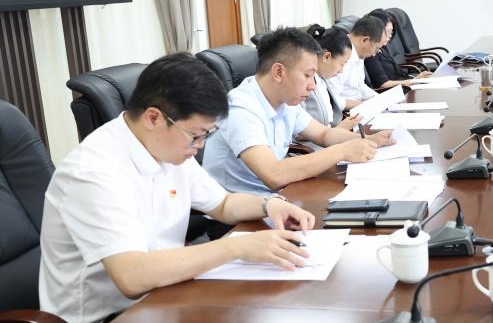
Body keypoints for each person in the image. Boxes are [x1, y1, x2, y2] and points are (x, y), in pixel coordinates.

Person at [38, 53, 317, 323]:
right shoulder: (92, 172)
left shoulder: (167, 147)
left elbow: (222, 204)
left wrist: (270, 204)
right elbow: (132, 277)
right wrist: (236, 247)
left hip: (166, 292)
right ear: (153, 118)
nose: (200, 146)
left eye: (206, 135)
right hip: (112, 315)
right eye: (195, 135)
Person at [202, 27, 394, 195]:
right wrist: (341, 151)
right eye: (307, 75)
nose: (313, 86)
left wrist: (370, 141)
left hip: (276, 198)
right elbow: (273, 174)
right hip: (240, 213)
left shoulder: (285, 99)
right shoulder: (240, 109)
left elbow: (324, 134)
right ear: (279, 72)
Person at [303, 24, 361, 129]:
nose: (341, 71)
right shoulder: (305, 84)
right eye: (342, 64)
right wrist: (341, 128)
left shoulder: (322, 78)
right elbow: (300, 132)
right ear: (327, 56)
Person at [326, 15, 385, 109]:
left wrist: (380, 100)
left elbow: (360, 86)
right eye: (376, 48)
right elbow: (333, 100)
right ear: (365, 40)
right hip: (346, 113)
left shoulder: (359, 54)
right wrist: (364, 105)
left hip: (359, 106)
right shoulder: (340, 54)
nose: (375, 54)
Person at [364, 8, 432, 89]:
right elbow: (383, 84)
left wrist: (416, 79)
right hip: (399, 91)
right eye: (388, 31)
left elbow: (398, 76)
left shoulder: (381, 49)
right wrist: (414, 81)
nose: (390, 35)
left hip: (406, 87)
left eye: (391, 31)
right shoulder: (370, 54)